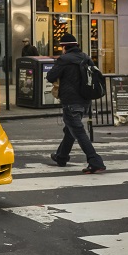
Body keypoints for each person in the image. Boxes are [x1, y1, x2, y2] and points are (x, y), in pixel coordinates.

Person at [46, 33, 107, 174]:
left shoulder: (64, 59)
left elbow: (50, 76)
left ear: (64, 47)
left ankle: (95, 160)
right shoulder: (86, 58)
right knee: (70, 129)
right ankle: (61, 156)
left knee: (78, 132)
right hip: (85, 100)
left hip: (70, 101)